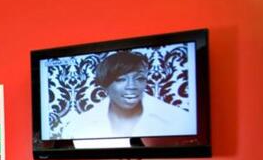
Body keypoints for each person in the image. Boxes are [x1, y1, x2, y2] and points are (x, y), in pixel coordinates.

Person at [61, 51, 193, 139]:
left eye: (139, 78)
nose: (132, 86)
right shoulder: (77, 126)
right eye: (121, 79)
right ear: (105, 86)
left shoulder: (179, 119)